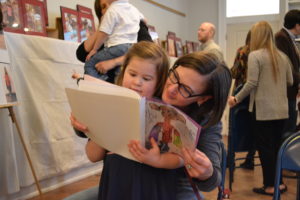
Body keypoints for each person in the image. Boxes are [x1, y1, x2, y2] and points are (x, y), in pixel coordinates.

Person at [228, 21, 293, 196]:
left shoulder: (255, 55)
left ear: (256, 36)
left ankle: (270, 186)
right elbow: (290, 81)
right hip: (282, 110)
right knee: (277, 147)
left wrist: (236, 98)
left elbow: (251, 83)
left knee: (265, 149)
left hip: (263, 109)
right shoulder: (282, 57)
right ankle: (279, 184)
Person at [75, 0, 152, 83]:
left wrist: (113, 62)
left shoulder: (136, 24)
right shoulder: (105, 32)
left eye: (111, 4)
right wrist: (104, 24)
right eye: (104, 6)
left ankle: (94, 83)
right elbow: (81, 54)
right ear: (100, 13)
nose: (109, 8)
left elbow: (148, 54)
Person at [230, 31, 256, 170]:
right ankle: (250, 159)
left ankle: (231, 160)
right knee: (252, 127)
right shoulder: (261, 52)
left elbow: (235, 72)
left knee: (235, 127)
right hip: (255, 94)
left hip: (240, 92)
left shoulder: (242, 51)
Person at [275, 9, 300, 135]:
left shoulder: (289, 38)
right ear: (297, 25)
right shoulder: (281, 37)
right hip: (286, 93)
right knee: (287, 131)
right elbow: (285, 67)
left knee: (290, 128)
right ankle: (283, 155)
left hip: (291, 91)